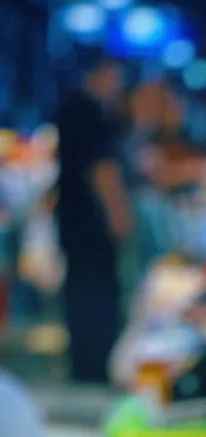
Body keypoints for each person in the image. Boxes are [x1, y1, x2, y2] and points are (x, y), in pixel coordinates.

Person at [55, 52, 132, 382]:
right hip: (90, 221)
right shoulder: (88, 111)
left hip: (73, 218)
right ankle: (94, 365)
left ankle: (84, 363)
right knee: (97, 292)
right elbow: (101, 169)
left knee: (79, 290)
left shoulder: (71, 107)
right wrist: (118, 214)